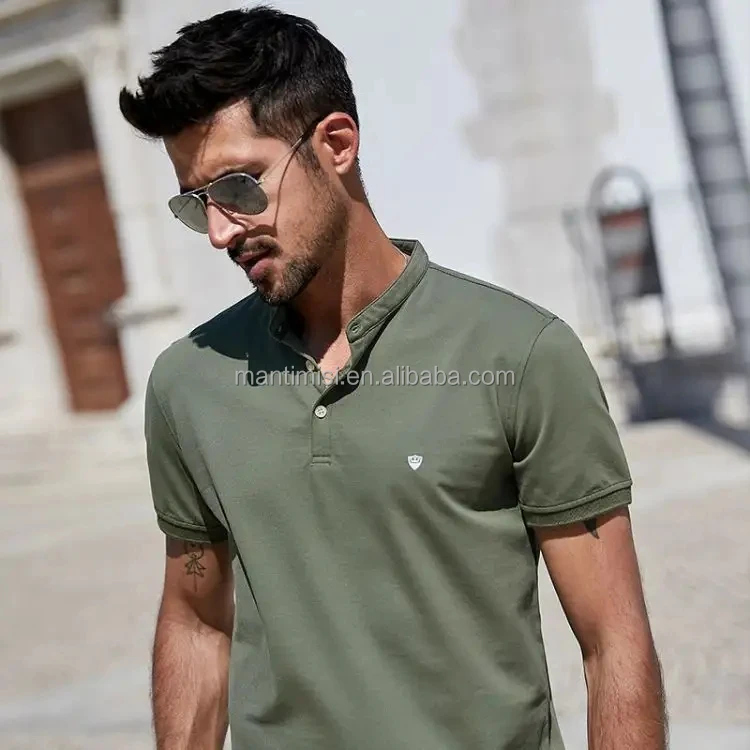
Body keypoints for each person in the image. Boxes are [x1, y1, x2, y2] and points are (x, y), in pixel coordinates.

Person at [120, 5, 667, 749]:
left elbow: (614, 643)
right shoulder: (189, 382)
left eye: (239, 188)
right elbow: (195, 622)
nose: (220, 231)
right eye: (197, 203)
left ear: (336, 144)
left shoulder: (520, 355)